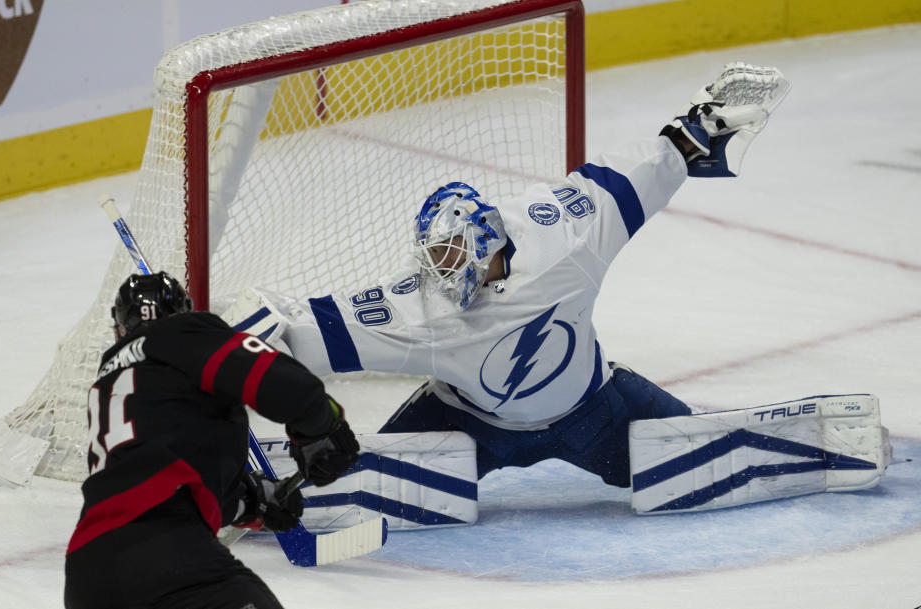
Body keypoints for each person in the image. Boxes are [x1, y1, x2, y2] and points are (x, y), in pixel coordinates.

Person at [224, 64, 793, 493]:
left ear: (488, 240)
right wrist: (233, 334)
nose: (444, 272)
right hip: (468, 428)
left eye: (453, 254)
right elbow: (300, 335)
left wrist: (694, 134)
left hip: (594, 412)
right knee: (357, 480)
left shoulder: (564, 236)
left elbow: (635, 177)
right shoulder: (418, 308)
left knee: (702, 465)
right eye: (436, 258)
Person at [64, 272, 360, 609]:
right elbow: (280, 382)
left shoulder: (108, 382)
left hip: (87, 575)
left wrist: (254, 500)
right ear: (184, 313)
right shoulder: (181, 334)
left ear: (119, 329)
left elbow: (162, 482)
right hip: (169, 558)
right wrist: (324, 426)